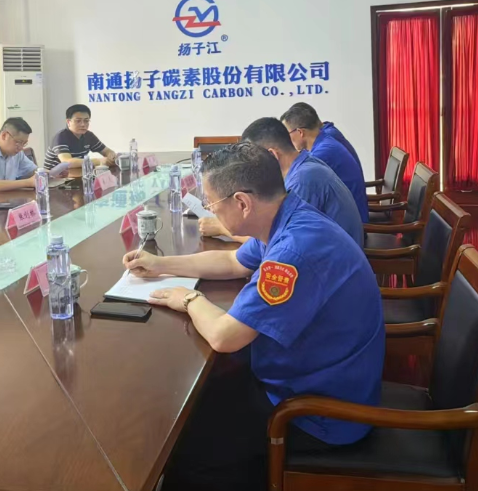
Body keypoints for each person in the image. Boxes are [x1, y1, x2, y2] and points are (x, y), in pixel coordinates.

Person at [123, 143, 384, 491]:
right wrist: (160, 265)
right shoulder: (286, 216)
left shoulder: (293, 252)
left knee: (188, 452)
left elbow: (224, 336)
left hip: (320, 411)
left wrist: (188, 298)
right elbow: (232, 261)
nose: (209, 210)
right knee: (201, 404)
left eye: (211, 203)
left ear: (242, 203)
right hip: (312, 375)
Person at [199, 118, 364, 248]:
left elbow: (277, 240)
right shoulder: (303, 165)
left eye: (251, 158)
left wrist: (221, 228)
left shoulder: (303, 180)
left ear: (272, 154)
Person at [281, 103, 368, 222]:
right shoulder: (323, 140)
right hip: (348, 215)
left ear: (300, 132)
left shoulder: (322, 153)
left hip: (349, 224)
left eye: (287, 134)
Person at [43, 104, 118, 170]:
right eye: (78, 121)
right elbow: (67, 162)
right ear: (68, 122)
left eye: (86, 121)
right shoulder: (61, 137)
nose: (83, 124)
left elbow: (106, 151)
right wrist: (98, 161)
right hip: (54, 178)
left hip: (76, 175)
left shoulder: (89, 135)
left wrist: (111, 156)